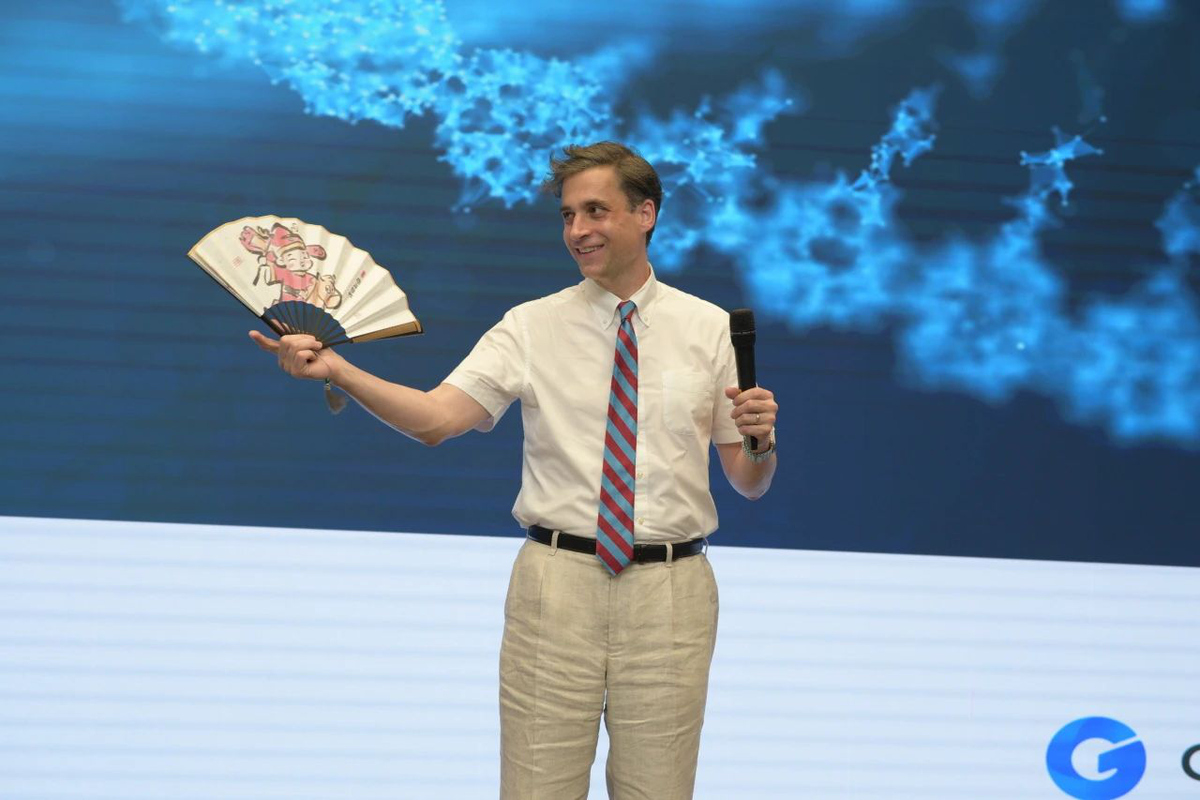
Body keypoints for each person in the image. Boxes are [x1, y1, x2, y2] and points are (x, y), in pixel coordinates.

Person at [249, 141, 778, 799]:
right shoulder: (530, 327)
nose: (578, 230)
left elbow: (749, 480)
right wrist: (341, 371)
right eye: (567, 216)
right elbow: (436, 419)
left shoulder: (711, 329)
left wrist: (760, 443)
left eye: (595, 211)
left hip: (671, 595)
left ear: (645, 214)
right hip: (556, 588)